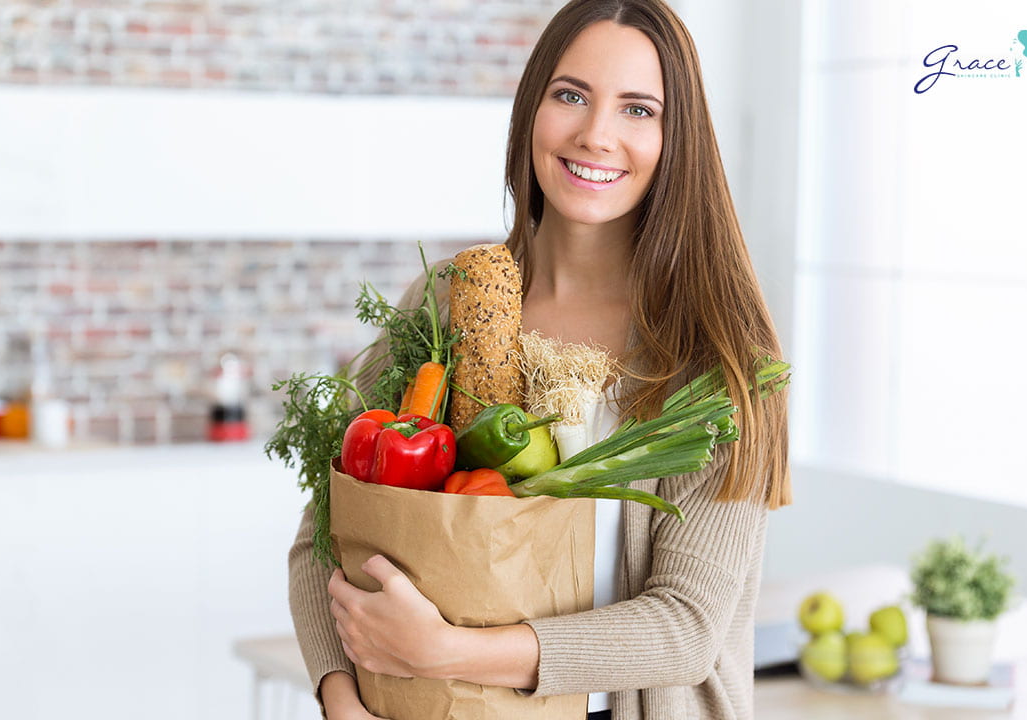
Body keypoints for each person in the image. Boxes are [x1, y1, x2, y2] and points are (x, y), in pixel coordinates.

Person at [288, 1, 791, 718]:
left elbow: (686, 628)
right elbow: (324, 534)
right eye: (571, 95)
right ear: (532, 108)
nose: (596, 134)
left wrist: (444, 651)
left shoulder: (717, 350)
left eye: (638, 110)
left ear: (677, 139)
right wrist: (341, 699)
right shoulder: (440, 305)